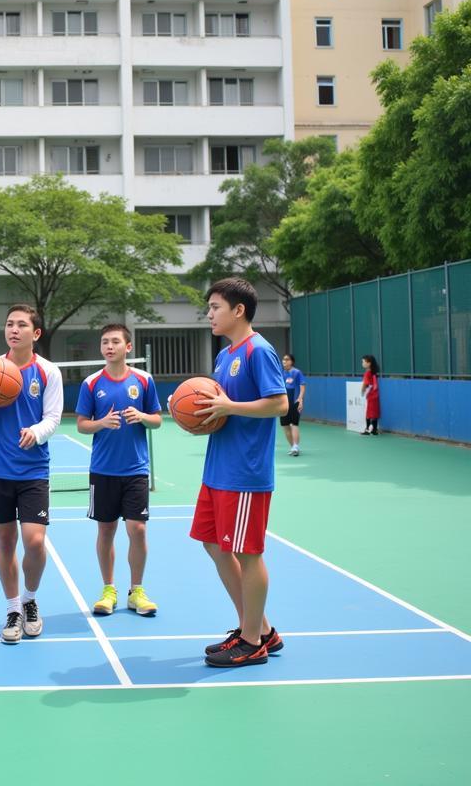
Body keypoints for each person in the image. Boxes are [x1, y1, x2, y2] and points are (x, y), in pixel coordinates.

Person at [191, 278, 288, 669]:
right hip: (218, 467)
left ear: (238, 310)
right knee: (213, 544)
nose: (209, 313)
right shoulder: (224, 355)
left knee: (249, 553)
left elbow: (279, 404)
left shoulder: (259, 350)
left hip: (245, 472)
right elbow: (220, 404)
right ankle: (260, 628)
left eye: (215, 307)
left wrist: (230, 406)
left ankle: (252, 642)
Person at [0, 304, 63, 644]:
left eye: (21, 325)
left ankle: (30, 598)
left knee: (35, 542)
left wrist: (36, 432)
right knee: (6, 541)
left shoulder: (48, 372)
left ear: (35, 333)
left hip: (34, 470)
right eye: (9, 324)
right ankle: (12, 609)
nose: (14, 329)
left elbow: (53, 417)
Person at [75, 323, 163, 618]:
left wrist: (141, 416)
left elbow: (157, 420)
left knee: (137, 529)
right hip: (103, 469)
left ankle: (136, 590)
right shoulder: (91, 383)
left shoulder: (144, 380)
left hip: (136, 468)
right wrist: (101, 423)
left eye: (115, 341)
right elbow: (81, 424)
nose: (109, 346)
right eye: (104, 342)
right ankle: (108, 589)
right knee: (106, 529)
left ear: (128, 347)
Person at [280, 353, 306, 456]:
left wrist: (300, 399)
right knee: (285, 425)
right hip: (283, 403)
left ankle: (296, 446)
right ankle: (293, 447)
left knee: (294, 424)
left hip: (294, 402)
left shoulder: (297, 373)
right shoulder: (281, 373)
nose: (284, 361)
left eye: (287, 359)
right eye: (283, 359)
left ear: (292, 362)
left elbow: (302, 386)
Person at [360, 354, 381, 435]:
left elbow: (365, 384)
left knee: (369, 413)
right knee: (374, 413)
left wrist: (362, 391)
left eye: (363, 362)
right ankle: (374, 430)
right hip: (375, 395)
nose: (362, 363)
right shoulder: (374, 372)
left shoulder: (367, 373)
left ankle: (368, 430)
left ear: (369, 363)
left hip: (371, 395)